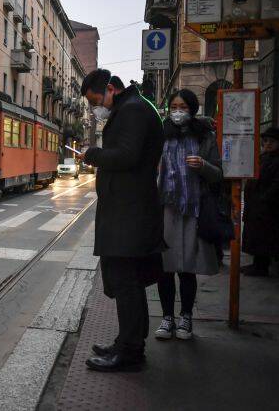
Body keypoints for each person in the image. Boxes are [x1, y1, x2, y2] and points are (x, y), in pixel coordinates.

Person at [76, 69, 166, 372]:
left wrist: (92, 154)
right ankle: (127, 342)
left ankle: (130, 352)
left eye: (95, 100)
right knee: (128, 282)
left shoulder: (133, 111)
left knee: (127, 283)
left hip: (130, 213)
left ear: (111, 89)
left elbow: (127, 156)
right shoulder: (132, 108)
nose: (95, 108)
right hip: (127, 211)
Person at [155, 89, 222, 341]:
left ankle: (186, 317)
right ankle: (166, 317)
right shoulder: (161, 135)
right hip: (166, 207)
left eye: (183, 106)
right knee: (165, 267)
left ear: (191, 109)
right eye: (174, 106)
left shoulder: (204, 135)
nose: (177, 111)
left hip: (193, 208)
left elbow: (218, 173)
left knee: (187, 268)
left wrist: (203, 166)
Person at [241, 127, 279, 276]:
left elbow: (276, 184)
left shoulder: (275, 160)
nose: (268, 144)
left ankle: (261, 266)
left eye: (272, 141)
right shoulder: (264, 157)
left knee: (264, 237)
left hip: (267, 206)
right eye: (266, 141)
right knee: (256, 236)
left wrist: (264, 198)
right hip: (257, 204)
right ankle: (257, 264)